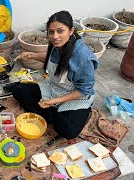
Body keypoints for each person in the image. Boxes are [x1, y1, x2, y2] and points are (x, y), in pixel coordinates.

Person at [14, 10, 99, 140]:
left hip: (75, 98)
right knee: (17, 89)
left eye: (60, 31)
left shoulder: (84, 59)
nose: (55, 36)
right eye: (51, 32)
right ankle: (53, 112)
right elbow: (53, 60)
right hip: (54, 88)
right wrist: (32, 55)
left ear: (71, 31)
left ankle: (53, 112)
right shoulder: (56, 44)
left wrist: (55, 101)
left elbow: (84, 90)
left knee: (68, 132)